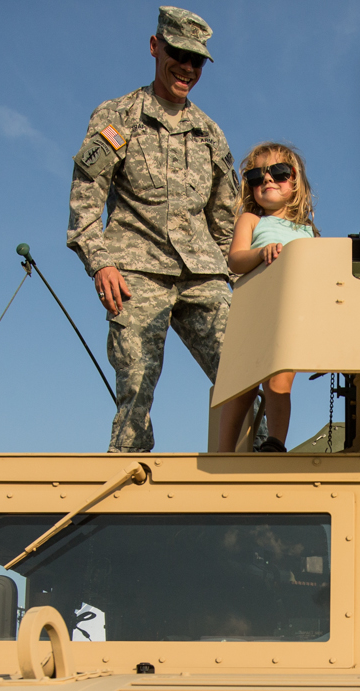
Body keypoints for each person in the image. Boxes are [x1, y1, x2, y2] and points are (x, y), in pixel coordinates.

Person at [67, 7, 240, 453]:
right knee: (136, 387)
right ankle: (128, 481)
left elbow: (225, 222)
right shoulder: (118, 117)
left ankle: (255, 473)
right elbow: (86, 196)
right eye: (178, 54)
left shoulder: (210, 134)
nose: (187, 67)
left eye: (197, 60)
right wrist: (100, 262)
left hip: (203, 273)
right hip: (136, 271)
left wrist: (240, 284)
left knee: (244, 372)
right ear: (154, 46)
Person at [215, 143, 319, 453]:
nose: (268, 181)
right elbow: (235, 260)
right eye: (257, 177)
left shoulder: (307, 231)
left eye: (279, 173)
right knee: (241, 389)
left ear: (295, 180)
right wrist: (261, 253)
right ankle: (222, 452)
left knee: (279, 382)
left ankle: (275, 442)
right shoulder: (252, 220)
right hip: (254, 314)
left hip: (291, 318)